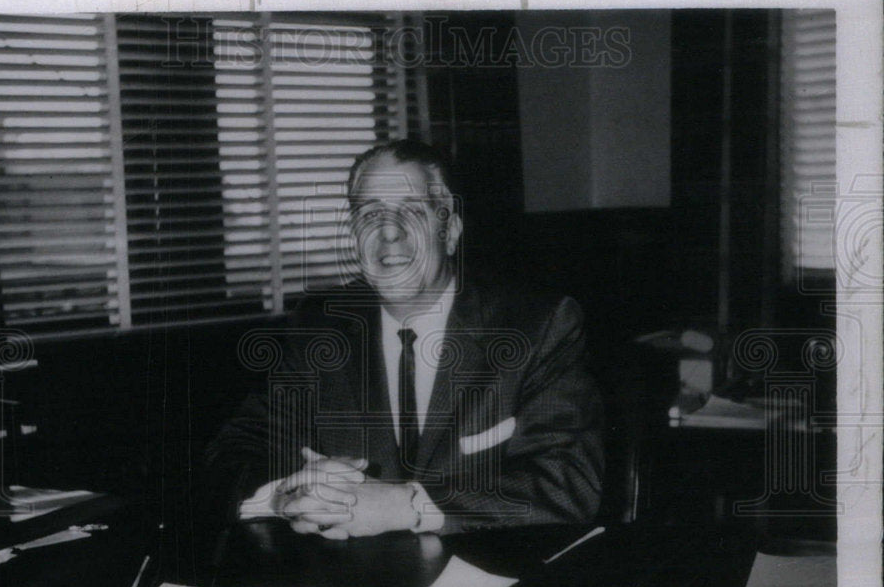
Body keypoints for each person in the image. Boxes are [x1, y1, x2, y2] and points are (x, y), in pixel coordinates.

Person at [204, 140, 603, 538]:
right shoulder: (319, 329)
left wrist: (407, 505)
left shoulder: (537, 325)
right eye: (370, 213)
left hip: (491, 585)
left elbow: (567, 484)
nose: (389, 232)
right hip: (347, 585)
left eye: (411, 211)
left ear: (450, 231)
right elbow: (234, 453)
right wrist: (286, 495)